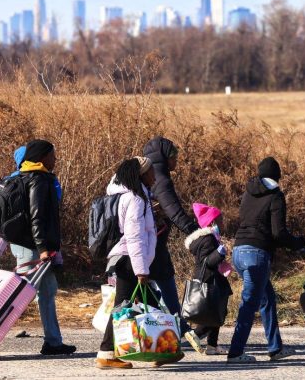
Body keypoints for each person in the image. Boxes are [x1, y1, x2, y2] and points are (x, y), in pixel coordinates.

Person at [96, 157, 181, 369]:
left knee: (150, 303)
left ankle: (159, 350)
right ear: (141, 174)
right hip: (129, 259)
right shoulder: (135, 199)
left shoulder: (133, 196)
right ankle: (106, 353)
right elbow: (135, 236)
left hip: (128, 258)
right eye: (152, 172)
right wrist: (141, 270)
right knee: (123, 305)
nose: (155, 176)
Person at [227, 157, 305, 363]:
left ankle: (275, 348)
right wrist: (299, 243)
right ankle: (235, 353)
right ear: (277, 177)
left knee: (267, 299)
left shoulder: (248, 192)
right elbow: (278, 233)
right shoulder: (276, 196)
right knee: (249, 304)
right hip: (256, 255)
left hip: (238, 252)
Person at [9, 139, 75, 356]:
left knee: (42, 291)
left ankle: (53, 342)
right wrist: (44, 248)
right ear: (42, 157)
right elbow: (37, 218)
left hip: (25, 245)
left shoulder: (23, 176)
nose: (55, 159)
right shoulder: (39, 179)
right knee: (23, 295)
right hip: (35, 247)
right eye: (52, 155)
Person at [142, 136, 203, 352]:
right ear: (165, 157)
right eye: (174, 155)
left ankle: (168, 327)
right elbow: (174, 212)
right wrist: (197, 232)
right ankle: (180, 327)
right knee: (165, 280)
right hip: (153, 244)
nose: (177, 160)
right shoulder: (160, 179)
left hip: (146, 242)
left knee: (148, 287)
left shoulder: (147, 175)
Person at [0, 146, 63, 268]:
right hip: (31, 237)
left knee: (3, 233)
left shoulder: (12, 178)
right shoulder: (43, 178)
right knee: (51, 231)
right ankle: (58, 261)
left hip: (14, 225)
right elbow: (56, 196)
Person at [184, 203, 232, 355]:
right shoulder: (209, 239)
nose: (222, 223)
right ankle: (196, 334)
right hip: (210, 279)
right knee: (216, 312)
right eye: (220, 219)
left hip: (207, 277)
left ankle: (212, 346)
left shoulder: (205, 238)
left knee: (216, 311)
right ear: (212, 222)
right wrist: (221, 252)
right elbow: (208, 261)